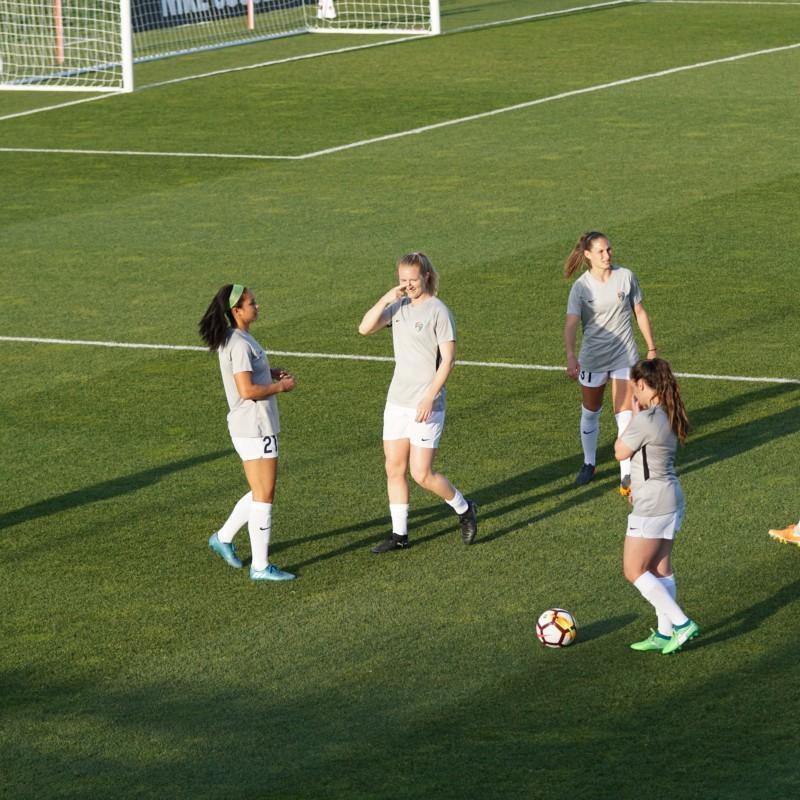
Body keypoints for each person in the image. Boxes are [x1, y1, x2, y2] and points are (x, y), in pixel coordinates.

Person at [357, 252, 477, 552]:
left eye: (412, 279)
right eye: (402, 281)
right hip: (397, 401)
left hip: (426, 403)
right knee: (393, 469)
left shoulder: (438, 310)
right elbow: (364, 328)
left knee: (421, 473)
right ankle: (400, 536)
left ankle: (464, 509)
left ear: (426, 277)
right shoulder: (397, 307)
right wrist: (386, 297)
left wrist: (429, 396)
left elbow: (448, 360)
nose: (408, 285)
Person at [199, 283, 297, 581]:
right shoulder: (239, 344)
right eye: (252, 303)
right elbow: (247, 390)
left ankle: (224, 538)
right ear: (236, 310)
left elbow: (250, 378)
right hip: (255, 426)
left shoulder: (235, 338)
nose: (258, 306)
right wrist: (279, 386)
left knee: (259, 492)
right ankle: (260, 566)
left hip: (248, 426)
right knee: (265, 495)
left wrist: (270, 372)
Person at [614, 358, 699, 655]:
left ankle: (681, 623)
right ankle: (664, 634)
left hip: (652, 504)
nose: (633, 395)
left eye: (633, 388)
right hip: (671, 498)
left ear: (641, 384)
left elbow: (619, 450)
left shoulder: (647, 419)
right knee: (660, 568)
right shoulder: (670, 413)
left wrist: (634, 418)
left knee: (633, 570)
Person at [564, 231, 657, 494]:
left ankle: (626, 475)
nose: (607, 255)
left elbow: (639, 312)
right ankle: (589, 462)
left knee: (624, 414)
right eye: (601, 251)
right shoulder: (581, 288)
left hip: (624, 355)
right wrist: (571, 355)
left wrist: (651, 347)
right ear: (588, 255)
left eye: (609, 250)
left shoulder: (625, 277)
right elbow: (571, 323)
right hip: (593, 358)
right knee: (591, 411)